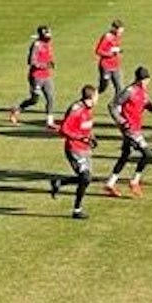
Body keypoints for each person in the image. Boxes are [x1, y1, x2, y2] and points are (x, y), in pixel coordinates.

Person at [48, 84, 99, 219]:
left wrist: (92, 137)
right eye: (96, 96)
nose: (98, 98)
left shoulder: (89, 108)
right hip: (74, 149)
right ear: (91, 97)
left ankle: (59, 182)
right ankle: (77, 210)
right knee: (86, 177)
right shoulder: (76, 110)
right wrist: (81, 138)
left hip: (85, 148)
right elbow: (63, 130)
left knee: (86, 179)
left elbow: (86, 126)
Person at [104, 66, 152, 198]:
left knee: (125, 155)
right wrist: (121, 121)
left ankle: (110, 183)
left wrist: (150, 106)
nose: (147, 83)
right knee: (147, 154)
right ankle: (134, 181)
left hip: (136, 127)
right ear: (139, 80)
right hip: (130, 129)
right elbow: (112, 105)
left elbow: (145, 101)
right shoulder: (129, 91)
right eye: (145, 80)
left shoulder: (143, 90)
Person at [9, 25, 55, 125]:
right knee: (34, 100)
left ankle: (50, 122)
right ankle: (16, 109)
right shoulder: (36, 45)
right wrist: (44, 65)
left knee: (50, 98)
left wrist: (51, 63)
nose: (49, 37)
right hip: (36, 76)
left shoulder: (48, 44)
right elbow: (31, 61)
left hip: (47, 76)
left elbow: (48, 56)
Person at [94, 20, 126, 106]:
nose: (120, 34)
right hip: (106, 67)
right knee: (104, 87)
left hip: (116, 66)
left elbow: (114, 47)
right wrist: (110, 54)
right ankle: (94, 92)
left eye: (121, 32)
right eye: (119, 31)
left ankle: (117, 106)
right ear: (114, 29)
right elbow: (98, 51)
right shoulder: (107, 37)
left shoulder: (117, 37)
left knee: (120, 87)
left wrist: (118, 51)